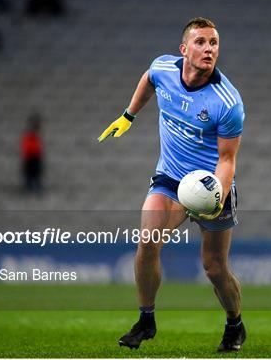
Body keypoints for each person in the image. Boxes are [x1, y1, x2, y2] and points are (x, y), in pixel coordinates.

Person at [98, 17, 246, 352]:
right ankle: (146, 319)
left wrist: (217, 194)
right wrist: (128, 115)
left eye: (214, 43)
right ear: (184, 49)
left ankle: (235, 323)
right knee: (147, 241)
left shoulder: (227, 102)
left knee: (214, 267)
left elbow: (227, 160)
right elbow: (149, 80)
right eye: (201, 42)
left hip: (211, 186)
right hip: (170, 179)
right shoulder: (163, 67)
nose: (209, 49)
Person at [21, 113, 44, 193]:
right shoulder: (28, 137)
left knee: (36, 175)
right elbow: (26, 148)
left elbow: (38, 148)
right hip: (30, 158)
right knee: (30, 175)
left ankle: (35, 187)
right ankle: (30, 188)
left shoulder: (36, 137)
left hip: (35, 158)